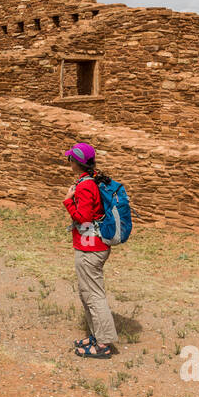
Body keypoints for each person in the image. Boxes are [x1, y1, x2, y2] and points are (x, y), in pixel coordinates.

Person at [63, 141, 119, 359]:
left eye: (71, 159)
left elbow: (83, 217)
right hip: (91, 245)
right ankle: (96, 335)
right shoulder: (91, 180)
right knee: (87, 293)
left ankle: (103, 344)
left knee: (94, 295)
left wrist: (68, 201)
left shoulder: (86, 185)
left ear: (76, 162)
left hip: (91, 248)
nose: (69, 162)